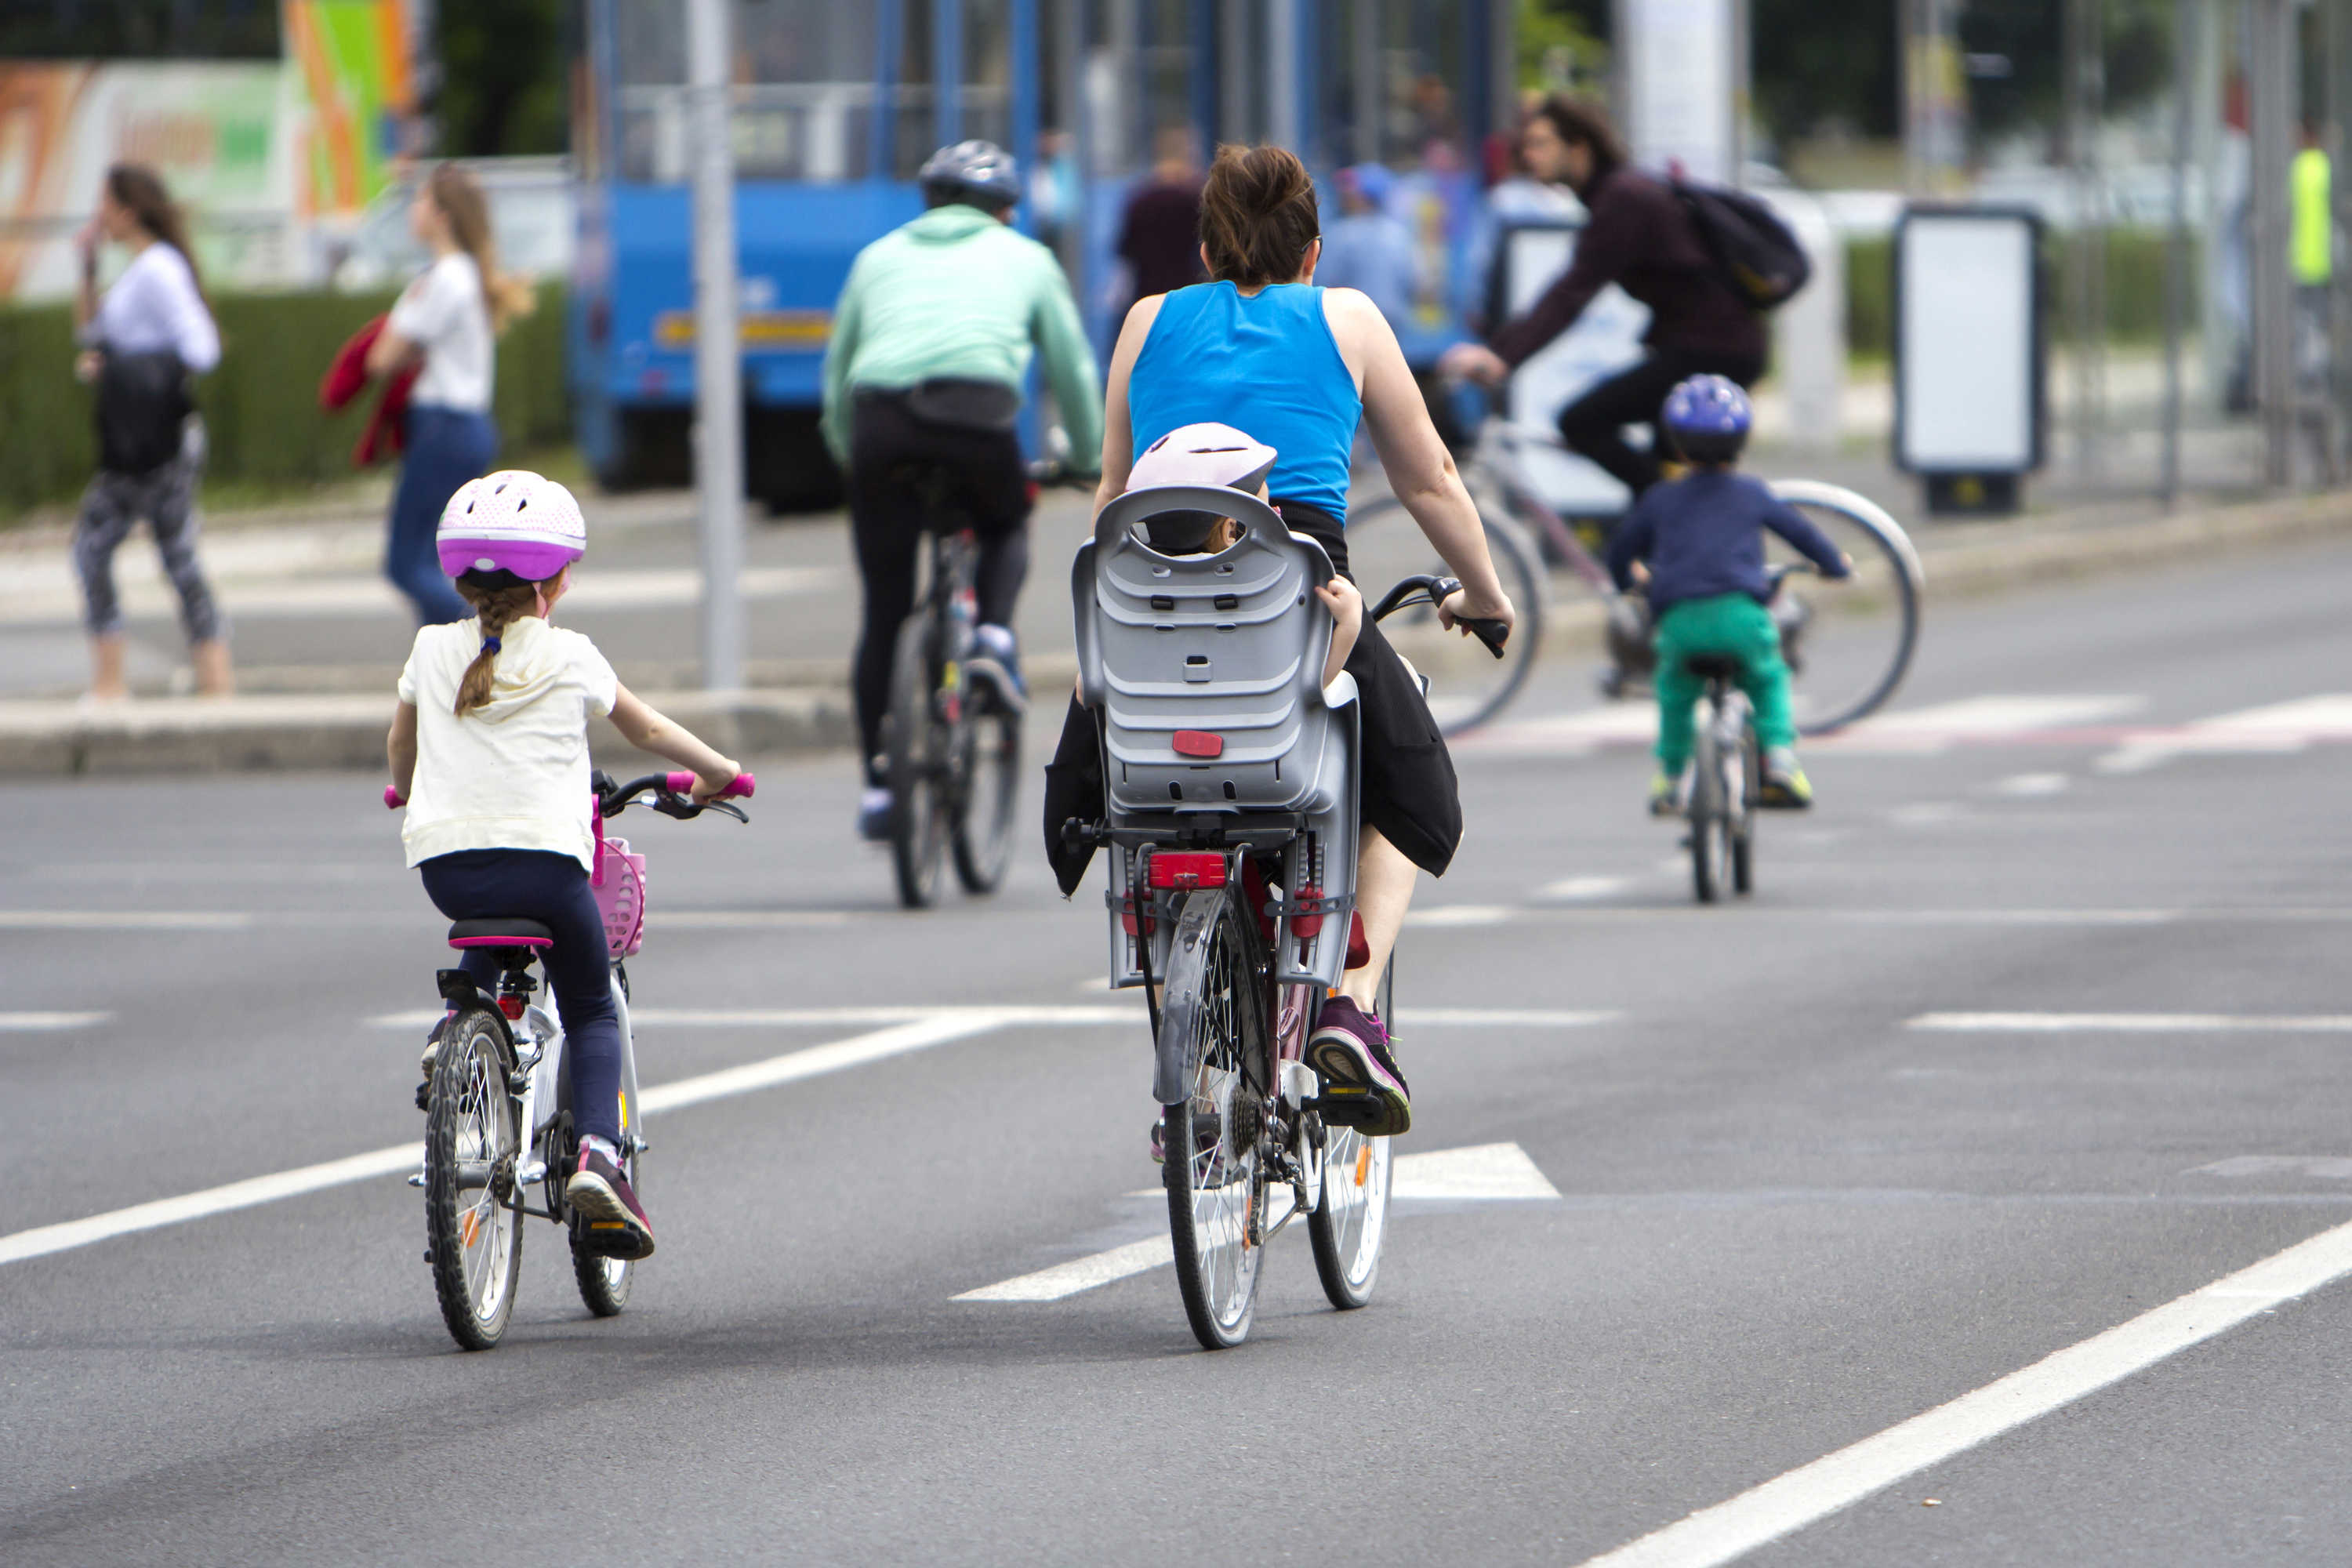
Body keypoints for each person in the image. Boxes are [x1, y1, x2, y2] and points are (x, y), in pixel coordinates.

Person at [1069, 143, 1518, 1138]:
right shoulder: (1347, 317)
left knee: (1137, 791)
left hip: (1148, 605)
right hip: (1298, 599)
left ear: (1203, 249)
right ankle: (1352, 1008)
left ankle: (1194, 1047)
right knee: (1405, 780)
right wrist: (1486, 595)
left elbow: (1111, 490)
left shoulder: (1147, 320)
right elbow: (1431, 478)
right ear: (1315, 252)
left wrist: (1106, 620)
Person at [386, 470, 746, 1261]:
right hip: (548, 870)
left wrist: (406, 791)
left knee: (491, 930)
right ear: (551, 584)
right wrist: (718, 771)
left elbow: (401, 744)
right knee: (590, 1003)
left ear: (461, 580)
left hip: (448, 870)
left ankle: (454, 1028)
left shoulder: (430, 647)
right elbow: (648, 730)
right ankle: (600, 1157)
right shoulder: (570, 654)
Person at [821, 140, 1104, 841]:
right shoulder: (1027, 258)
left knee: (884, 613)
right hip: (976, 419)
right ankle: (994, 637)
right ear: (1003, 210)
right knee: (1007, 519)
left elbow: (838, 375)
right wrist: (1087, 458)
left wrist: (851, 458)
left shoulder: (877, 258)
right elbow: (1071, 369)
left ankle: (880, 787)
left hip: (880, 424)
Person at [1440, 96, 1766, 502]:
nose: (1528, 155)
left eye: (1541, 143)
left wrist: (1501, 358)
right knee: (1652, 473)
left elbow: (1572, 291)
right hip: (1704, 346)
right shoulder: (1616, 193)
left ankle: (1677, 513)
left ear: (1579, 147)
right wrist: (1500, 353)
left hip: (1712, 349)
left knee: (1583, 422)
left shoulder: (1623, 198)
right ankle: (1671, 521)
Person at [1603, 376, 1849, 815]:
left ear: (1678, 447)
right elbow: (1803, 535)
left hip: (1679, 621)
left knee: (1675, 691)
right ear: (1742, 442)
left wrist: (1629, 581)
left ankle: (1671, 779)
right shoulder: (1753, 493)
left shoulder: (1661, 499)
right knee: (1768, 678)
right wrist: (1835, 565)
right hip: (1742, 618)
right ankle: (1780, 762)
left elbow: (1620, 551)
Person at [70, 162, 230, 700]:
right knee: (169, 556)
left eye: (105, 203)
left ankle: (116, 683)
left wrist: (124, 369)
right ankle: (211, 680)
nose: (99, 215)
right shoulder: (143, 268)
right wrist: (87, 267)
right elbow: (91, 332)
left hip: (156, 443)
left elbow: (202, 348)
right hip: (139, 442)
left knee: (99, 549)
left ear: (127, 210)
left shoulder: (158, 269)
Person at [366, 163, 536, 626]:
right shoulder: (464, 275)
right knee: (430, 561)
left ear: (442, 216)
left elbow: (381, 358)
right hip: (461, 428)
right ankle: (450, 659)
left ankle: (489, 636)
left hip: (444, 427)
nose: (413, 209)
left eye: (421, 200)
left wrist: (402, 324)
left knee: (406, 564)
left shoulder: (445, 278)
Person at [1113, 125, 1208, 321]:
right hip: (1188, 299)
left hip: (1146, 298)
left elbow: (1125, 250)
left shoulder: (1140, 199)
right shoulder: (1196, 200)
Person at [1316, 163, 1420, 329]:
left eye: (1351, 193)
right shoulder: (1399, 234)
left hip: (1352, 321)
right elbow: (1414, 282)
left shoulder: (1342, 233)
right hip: (1394, 323)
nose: (1345, 197)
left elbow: (1324, 284)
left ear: (1362, 197)